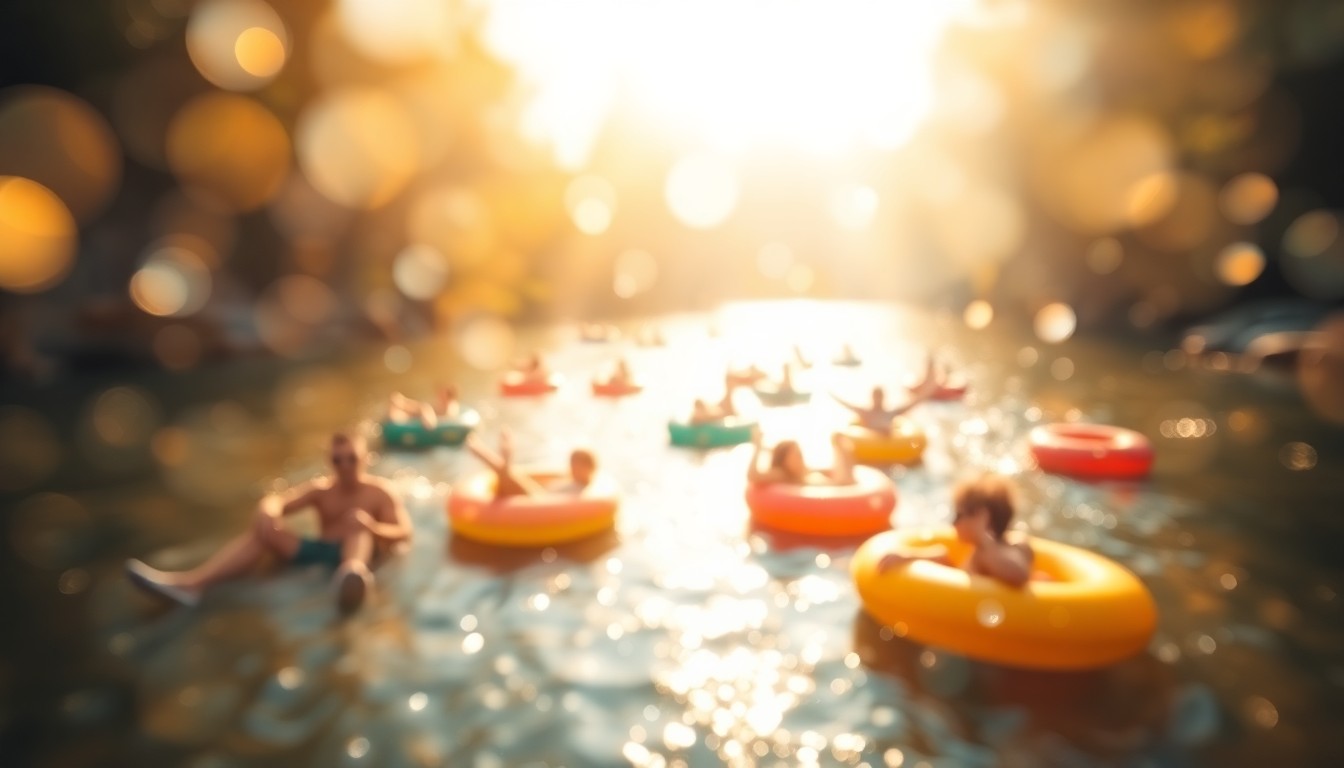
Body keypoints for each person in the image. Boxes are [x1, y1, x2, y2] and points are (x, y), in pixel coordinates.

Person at [125, 433, 412, 612]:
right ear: (330, 462)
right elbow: (279, 500)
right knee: (263, 531)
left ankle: (351, 578)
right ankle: (191, 586)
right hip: (321, 550)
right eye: (338, 460)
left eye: (352, 459)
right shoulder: (321, 490)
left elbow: (404, 532)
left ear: (364, 458)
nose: (346, 466)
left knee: (357, 527)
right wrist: (268, 511)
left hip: (356, 550)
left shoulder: (380, 492)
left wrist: (372, 527)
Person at [877, 473, 1034, 587]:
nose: (954, 524)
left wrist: (983, 537)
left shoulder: (1011, 546)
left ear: (981, 517)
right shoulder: (982, 553)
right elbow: (952, 569)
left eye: (959, 515)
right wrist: (908, 555)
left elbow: (1019, 574)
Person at [466, 430, 597, 500]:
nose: (572, 467)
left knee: (505, 473)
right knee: (508, 474)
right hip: (539, 494)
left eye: (577, 464)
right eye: (572, 462)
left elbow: (564, 504)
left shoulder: (584, 491)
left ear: (588, 467)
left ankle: (488, 453)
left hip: (539, 501)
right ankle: (503, 456)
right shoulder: (571, 480)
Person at [747, 427, 857, 486]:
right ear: (784, 460)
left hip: (834, 487)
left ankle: (841, 447)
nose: (800, 457)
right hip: (837, 490)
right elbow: (753, 476)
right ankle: (841, 447)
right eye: (796, 455)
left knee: (844, 471)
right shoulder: (783, 474)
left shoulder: (803, 471)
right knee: (846, 480)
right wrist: (757, 447)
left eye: (800, 454)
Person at [833, 383, 930, 433]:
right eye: (876, 397)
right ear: (872, 397)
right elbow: (848, 405)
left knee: (886, 426)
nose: (877, 399)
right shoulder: (866, 412)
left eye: (879, 396)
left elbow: (911, 404)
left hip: (889, 443)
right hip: (868, 442)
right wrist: (832, 394)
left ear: (883, 398)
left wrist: (927, 392)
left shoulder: (891, 412)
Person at [387, 385, 460, 429]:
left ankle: (402, 402)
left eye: (442, 394)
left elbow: (439, 422)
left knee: (424, 407)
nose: (439, 396)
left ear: (448, 396)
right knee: (423, 407)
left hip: (430, 420)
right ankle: (402, 403)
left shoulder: (451, 407)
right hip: (426, 416)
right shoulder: (443, 405)